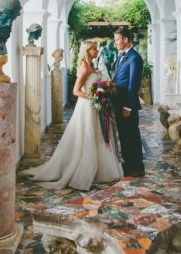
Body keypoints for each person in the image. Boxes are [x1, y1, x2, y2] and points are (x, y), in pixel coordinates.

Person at [22, 40, 122, 190]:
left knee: (98, 135)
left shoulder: (91, 66)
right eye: (94, 49)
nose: (97, 51)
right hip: (87, 106)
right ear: (88, 51)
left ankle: (100, 169)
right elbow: (76, 91)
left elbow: (93, 86)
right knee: (87, 135)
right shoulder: (84, 67)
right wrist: (95, 98)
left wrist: (103, 91)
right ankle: (84, 170)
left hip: (94, 106)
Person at [112, 28, 145, 177]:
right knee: (124, 135)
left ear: (125, 39)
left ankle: (138, 167)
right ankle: (128, 163)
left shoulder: (135, 57)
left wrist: (128, 106)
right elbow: (118, 79)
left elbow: (133, 84)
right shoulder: (121, 56)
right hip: (119, 102)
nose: (115, 43)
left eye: (117, 40)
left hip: (127, 104)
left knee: (132, 134)